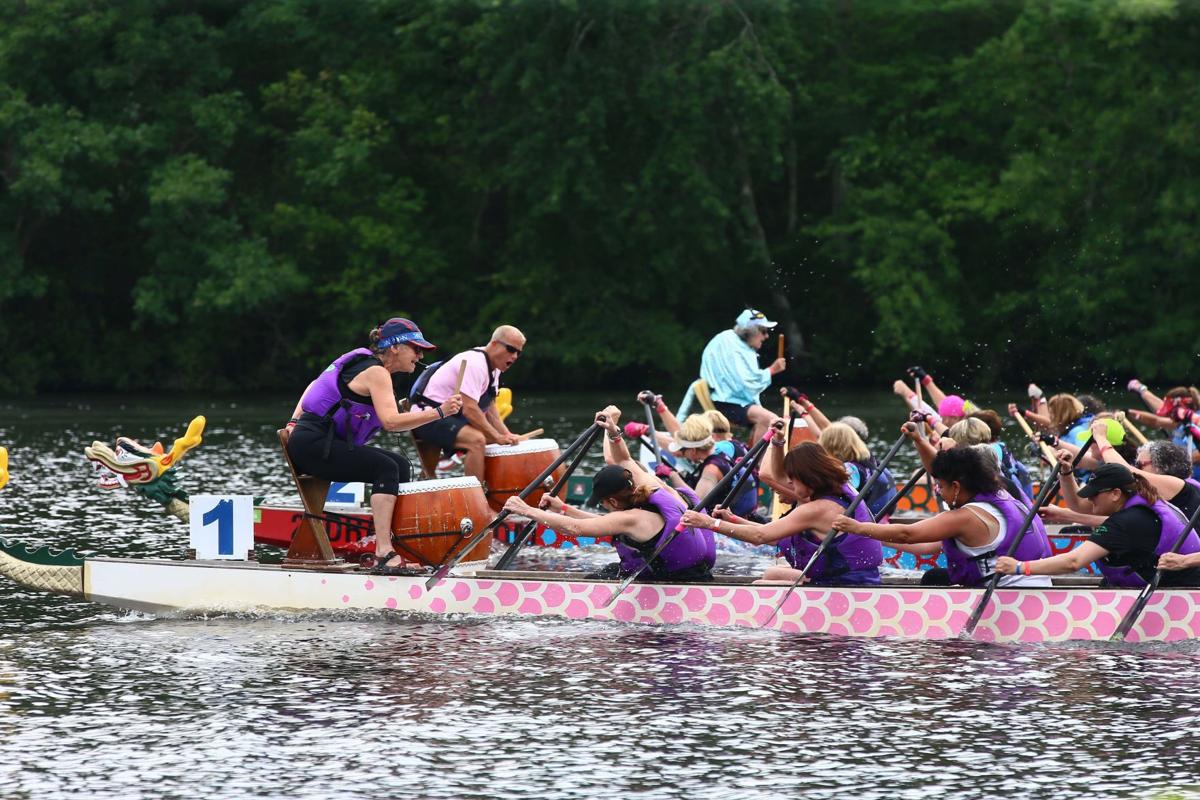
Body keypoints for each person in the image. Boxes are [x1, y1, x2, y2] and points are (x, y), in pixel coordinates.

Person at [286, 318, 463, 573]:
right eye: (416, 348)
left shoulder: (368, 367)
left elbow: (315, 385)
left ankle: (395, 545)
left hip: (317, 443)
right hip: (312, 445)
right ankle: (383, 553)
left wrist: (293, 420)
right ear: (395, 347)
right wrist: (440, 412)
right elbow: (391, 423)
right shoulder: (376, 372)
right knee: (385, 468)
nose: (420, 355)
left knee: (401, 465)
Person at [503, 406, 716, 582]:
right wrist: (612, 430)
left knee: (594, 579)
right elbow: (621, 461)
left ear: (613, 500)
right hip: (697, 573)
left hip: (676, 584)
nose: (604, 507)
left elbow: (575, 528)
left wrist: (526, 510)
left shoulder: (630, 518)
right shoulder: (653, 486)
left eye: (603, 503)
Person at [832, 444, 1052, 587]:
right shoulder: (1001, 495)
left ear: (956, 487)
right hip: (1038, 586)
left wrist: (857, 527)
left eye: (940, 486)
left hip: (1011, 596)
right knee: (936, 577)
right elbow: (924, 543)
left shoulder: (964, 517)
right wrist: (918, 440)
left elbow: (907, 533)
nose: (937, 492)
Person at [683, 436, 882, 585]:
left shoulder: (817, 509)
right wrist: (733, 519)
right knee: (773, 574)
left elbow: (761, 536)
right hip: (852, 577)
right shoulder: (841, 490)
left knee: (759, 586)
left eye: (792, 477)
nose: (787, 482)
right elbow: (775, 535)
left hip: (846, 587)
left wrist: (709, 523)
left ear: (807, 477)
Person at [997, 463, 1200, 587]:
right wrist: (1067, 514)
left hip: (1182, 592)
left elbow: (1073, 562)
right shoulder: (1143, 502)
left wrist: (1018, 567)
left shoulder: (1127, 522)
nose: (1090, 499)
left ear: (1115, 494)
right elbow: (1118, 527)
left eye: (1095, 494)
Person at [410, 325, 526, 482]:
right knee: (477, 440)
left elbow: (490, 409)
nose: (515, 356)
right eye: (511, 349)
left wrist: (506, 435)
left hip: (448, 417)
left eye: (518, 352)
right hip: (426, 417)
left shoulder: (495, 367)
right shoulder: (475, 363)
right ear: (494, 344)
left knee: (499, 441)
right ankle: (475, 496)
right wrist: (496, 436)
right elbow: (470, 410)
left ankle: (496, 492)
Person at [698, 308, 786, 441]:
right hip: (726, 403)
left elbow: (746, 382)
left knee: (765, 418)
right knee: (770, 420)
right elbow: (746, 384)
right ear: (751, 331)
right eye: (763, 331)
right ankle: (758, 462)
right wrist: (772, 370)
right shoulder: (733, 347)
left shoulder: (732, 341)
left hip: (730, 401)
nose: (766, 336)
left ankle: (750, 456)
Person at [661, 414, 759, 521]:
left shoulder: (712, 469)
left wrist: (673, 475)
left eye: (683, 451)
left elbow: (697, 502)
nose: (682, 454)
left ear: (693, 451)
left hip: (724, 526)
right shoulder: (719, 453)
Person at [818, 422, 897, 520]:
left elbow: (836, 498)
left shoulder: (849, 469)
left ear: (829, 446)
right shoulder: (873, 465)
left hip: (860, 527)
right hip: (880, 521)